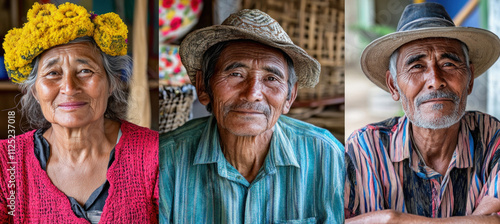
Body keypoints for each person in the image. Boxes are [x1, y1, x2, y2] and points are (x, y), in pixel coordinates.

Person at [159, 9, 344, 223]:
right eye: (236, 74)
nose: (253, 94)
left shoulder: (326, 157)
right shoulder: (165, 162)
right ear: (203, 86)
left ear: (290, 97)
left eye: (271, 78)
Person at [0, 3, 158, 223]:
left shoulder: (155, 155)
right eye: (53, 73)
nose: (69, 87)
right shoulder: (6, 164)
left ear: (111, 83)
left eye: (85, 71)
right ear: (35, 91)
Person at [345, 2, 500, 223]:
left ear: (470, 80)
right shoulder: (364, 150)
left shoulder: (493, 138)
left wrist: (392, 220)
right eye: (417, 66)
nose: (435, 81)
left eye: (448, 63)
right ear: (393, 85)